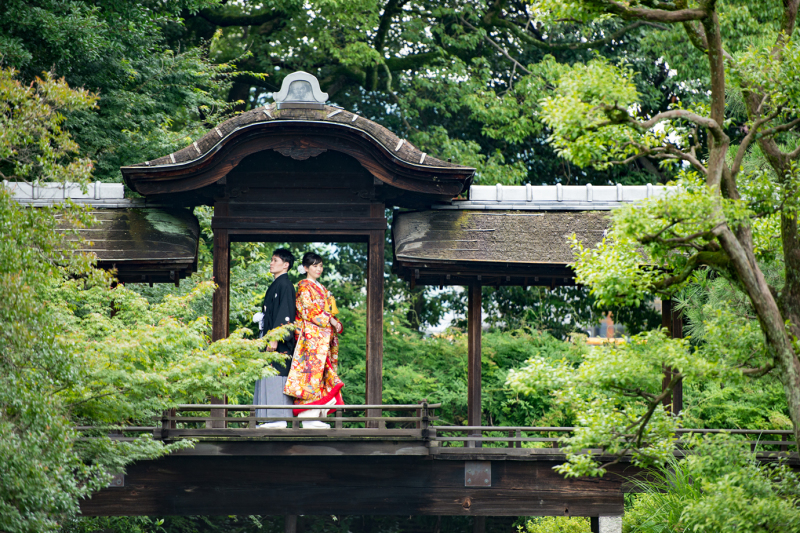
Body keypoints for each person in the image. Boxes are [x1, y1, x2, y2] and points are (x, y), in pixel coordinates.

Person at [284, 252, 344, 429]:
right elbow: (307, 310)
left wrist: (336, 323)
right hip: (310, 340)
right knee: (309, 376)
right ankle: (308, 417)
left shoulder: (323, 289)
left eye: (320, 266)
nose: (319, 269)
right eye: (315, 265)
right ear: (305, 268)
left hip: (322, 340)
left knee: (321, 377)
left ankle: (316, 416)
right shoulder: (303, 287)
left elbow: (330, 311)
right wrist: (330, 320)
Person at [253, 248, 297, 429]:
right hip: (270, 337)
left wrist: (276, 338)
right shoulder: (276, 284)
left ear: (286, 265)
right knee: (267, 374)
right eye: (271, 260)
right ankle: (268, 418)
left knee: (276, 373)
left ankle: (278, 418)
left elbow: (285, 314)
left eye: (275, 260)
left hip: (277, 341)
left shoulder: (285, 285)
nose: (271, 263)